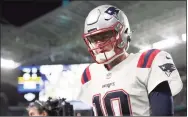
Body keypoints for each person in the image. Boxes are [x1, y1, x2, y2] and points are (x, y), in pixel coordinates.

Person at [77, 5, 183, 116]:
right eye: (94, 38)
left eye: (105, 36)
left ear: (123, 32)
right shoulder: (89, 74)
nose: (99, 44)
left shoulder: (147, 62)